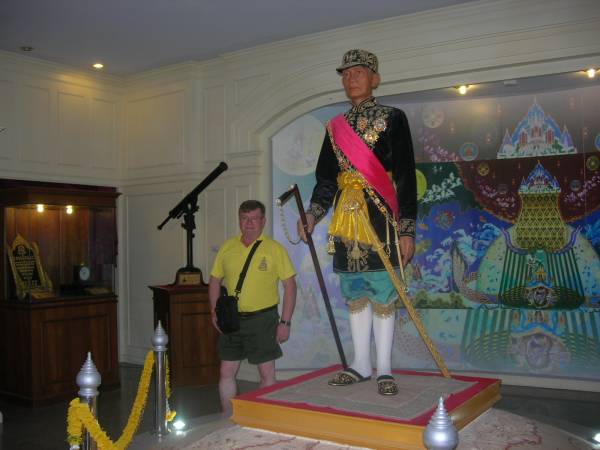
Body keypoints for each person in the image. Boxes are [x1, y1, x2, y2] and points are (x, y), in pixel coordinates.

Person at [299, 49, 417, 396]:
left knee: (382, 293)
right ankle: (360, 364)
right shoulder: (334, 127)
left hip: (381, 218)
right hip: (345, 221)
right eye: (346, 74)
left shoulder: (394, 118)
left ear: (374, 78)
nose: (350, 78)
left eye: (359, 72)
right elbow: (325, 180)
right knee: (354, 292)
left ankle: (384, 370)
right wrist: (312, 215)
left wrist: (407, 229)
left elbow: (406, 178)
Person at [209, 200, 297, 413]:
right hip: (231, 319)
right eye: (244, 218)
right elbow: (214, 280)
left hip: (263, 320)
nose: (248, 223)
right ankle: (228, 419)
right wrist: (214, 312)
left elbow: (290, 286)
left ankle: (264, 420)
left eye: (254, 219)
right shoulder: (228, 247)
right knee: (226, 372)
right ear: (239, 220)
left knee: (267, 374)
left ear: (263, 221)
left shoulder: (275, 249)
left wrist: (285, 322)